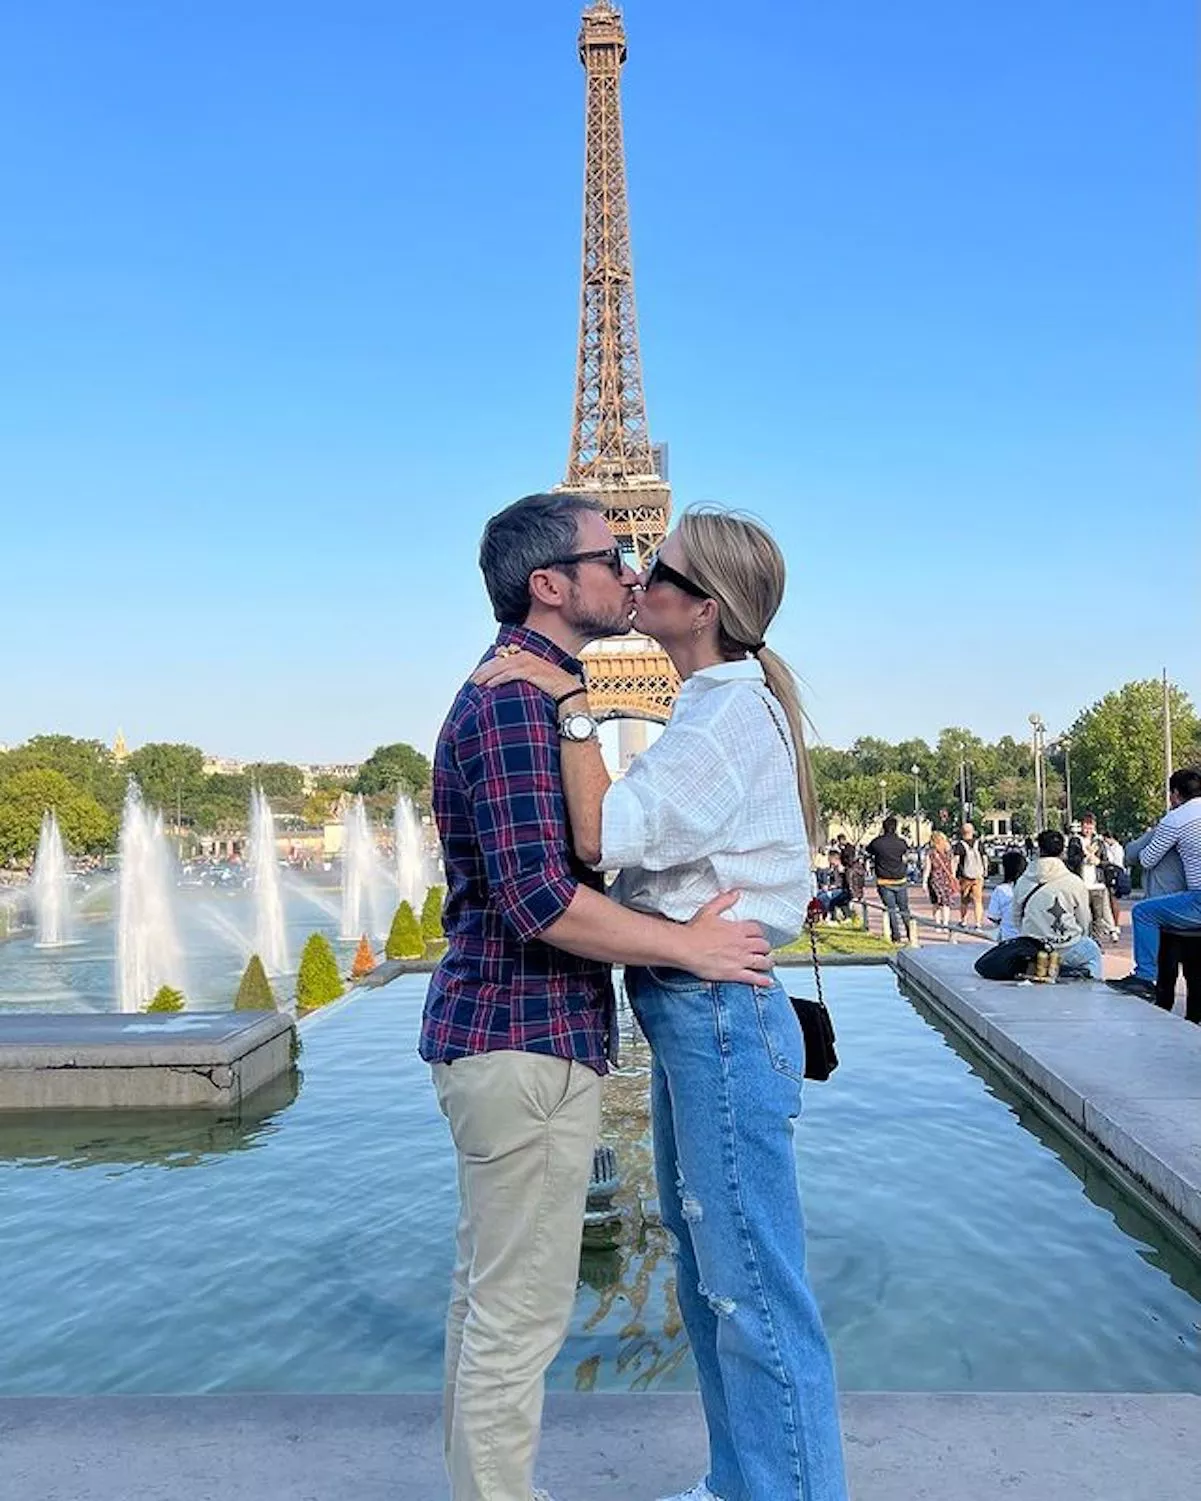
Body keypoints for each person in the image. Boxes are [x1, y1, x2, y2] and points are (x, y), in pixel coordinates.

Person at [472, 505, 849, 1501]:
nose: (638, 573)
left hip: (716, 1008)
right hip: (697, 1008)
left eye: (659, 566)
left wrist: (570, 700)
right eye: (629, 556)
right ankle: (742, 1482)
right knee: (718, 1279)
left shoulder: (722, 714)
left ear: (703, 606)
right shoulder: (713, 706)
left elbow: (599, 836)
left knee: (752, 1290)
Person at [420, 493, 772, 1501]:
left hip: (503, 1037)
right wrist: (689, 947)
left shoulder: (536, 694)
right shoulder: (515, 701)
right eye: (610, 554)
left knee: (488, 1305)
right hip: (522, 1040)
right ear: (548, 585)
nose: (630, 571)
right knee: (520, 1317)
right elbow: (542, 900)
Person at [1106, 768, 1201, 1001]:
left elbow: (1147, 859)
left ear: (1175, 794)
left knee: (1143, 912)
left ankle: (1145, 977)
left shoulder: (1176, 818)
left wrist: (1157, 837)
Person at [1011, 829, 1103, 977]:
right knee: (1093, 952)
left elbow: (1016, 919)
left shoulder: (1023, 881)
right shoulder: (1074, 882)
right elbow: (1085, 921)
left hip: (1034, 948)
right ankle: (1090, 981)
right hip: (1067, 946)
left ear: (1039, 850)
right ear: (1063, 852)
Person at [866, 815, 912, 942]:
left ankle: (896, 936)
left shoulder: (877, 843)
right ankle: (910, 934)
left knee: (891, 909)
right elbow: (906, 854)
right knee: (904, 909)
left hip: (884, 880)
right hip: (900, 879)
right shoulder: (901, 843)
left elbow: (868, 850)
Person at [986, 849, 1028, 941]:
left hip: (1008, 938)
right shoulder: (1031, 888)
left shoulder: (1001, 890)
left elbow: (993, 916)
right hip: (1029, 938)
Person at [952, 821, 987, 928]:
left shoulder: (960, 845)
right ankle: (978, 923)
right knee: (978, 900)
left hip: (965, 876)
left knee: (964, 900)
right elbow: (984, 858)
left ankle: (963, 921)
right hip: (978, 875)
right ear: (973, 831)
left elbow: (956, 860)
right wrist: (985, 871)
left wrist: (953, 874)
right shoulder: (979, 843)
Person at [923, 830, 958, 927]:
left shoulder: (930, 852)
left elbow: (928, 868)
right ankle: (945, 923)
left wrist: (924, 881)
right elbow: (953, 865)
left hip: (935, 880)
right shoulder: (949, 852)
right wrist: (953, 877)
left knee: (936, 903)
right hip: (946, 879)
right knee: (946, 903)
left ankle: (937, 923)